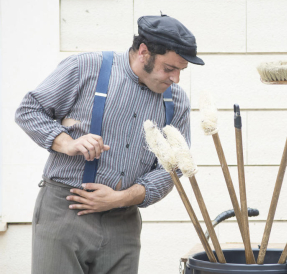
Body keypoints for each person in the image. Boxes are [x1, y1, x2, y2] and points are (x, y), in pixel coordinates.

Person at [15, 14, 204, 274]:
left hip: (123, 222)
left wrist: (121, 198)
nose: (176, 78)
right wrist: (67, 142)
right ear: (144, 52)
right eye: (169, 68)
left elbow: (174, 166)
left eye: (181, 70)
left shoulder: (177, 102)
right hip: (65, 210)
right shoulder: (86, 67)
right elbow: (29, 110)